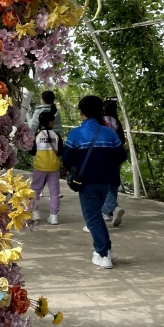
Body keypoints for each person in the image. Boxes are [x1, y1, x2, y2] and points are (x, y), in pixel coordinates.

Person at [62, 95, 127, 269]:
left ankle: (103, 255)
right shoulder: (109, 133)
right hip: (107, 181)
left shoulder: (76, 133)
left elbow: (66, 160)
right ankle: (108, 249)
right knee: (96, 215)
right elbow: (122, 156)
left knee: (92, 218)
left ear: (81, 112)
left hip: (86, 182)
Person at [29, 110, 64, 225]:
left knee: (35, 190)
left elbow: (32, 151)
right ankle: (54, 216)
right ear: (50, 122)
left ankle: (35, 213)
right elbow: (60, 152)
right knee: (54, 192)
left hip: (40, 167)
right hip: (54, 167)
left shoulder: (37, 135)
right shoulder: (56, 135)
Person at [102, 98, 126, 227]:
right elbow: (122, 140)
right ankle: (109, 212)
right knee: (113, 184)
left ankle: (113, 208)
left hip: (105, 156)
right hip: (117, 156)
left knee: (102, 183)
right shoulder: (117, 123)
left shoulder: (102, 122)